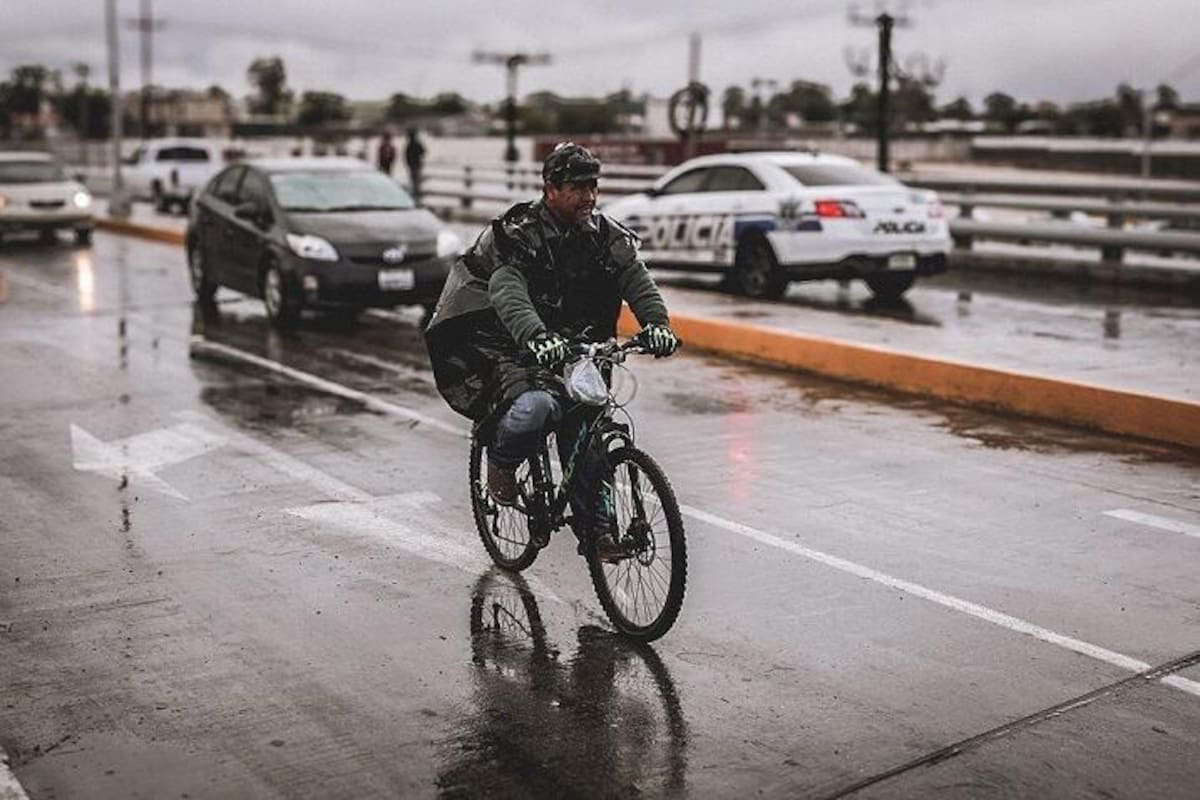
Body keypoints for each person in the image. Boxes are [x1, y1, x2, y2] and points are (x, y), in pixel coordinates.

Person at [424, 142, 680, 562]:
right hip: (508, 340)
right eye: (578, 188)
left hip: (575, 343)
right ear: (551, 189)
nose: (589, 197)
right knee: (536, 406)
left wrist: (658, 325)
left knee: (588, 429)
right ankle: (502, 464)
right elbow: (507, 290)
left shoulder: (604, 236)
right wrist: (535, 336)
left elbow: (636, 279)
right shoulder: (520, 233)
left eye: (594, 187)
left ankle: (598, 535)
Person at [405, 127, 426, 202]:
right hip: (416, 164)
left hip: (413, 165)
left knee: (413, 180)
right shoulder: (417, 143)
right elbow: (424, 152)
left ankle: (415, 194)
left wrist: (408, 163)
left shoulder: (409, 144)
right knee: (416, 181)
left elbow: (406, 155)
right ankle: (416, 194)